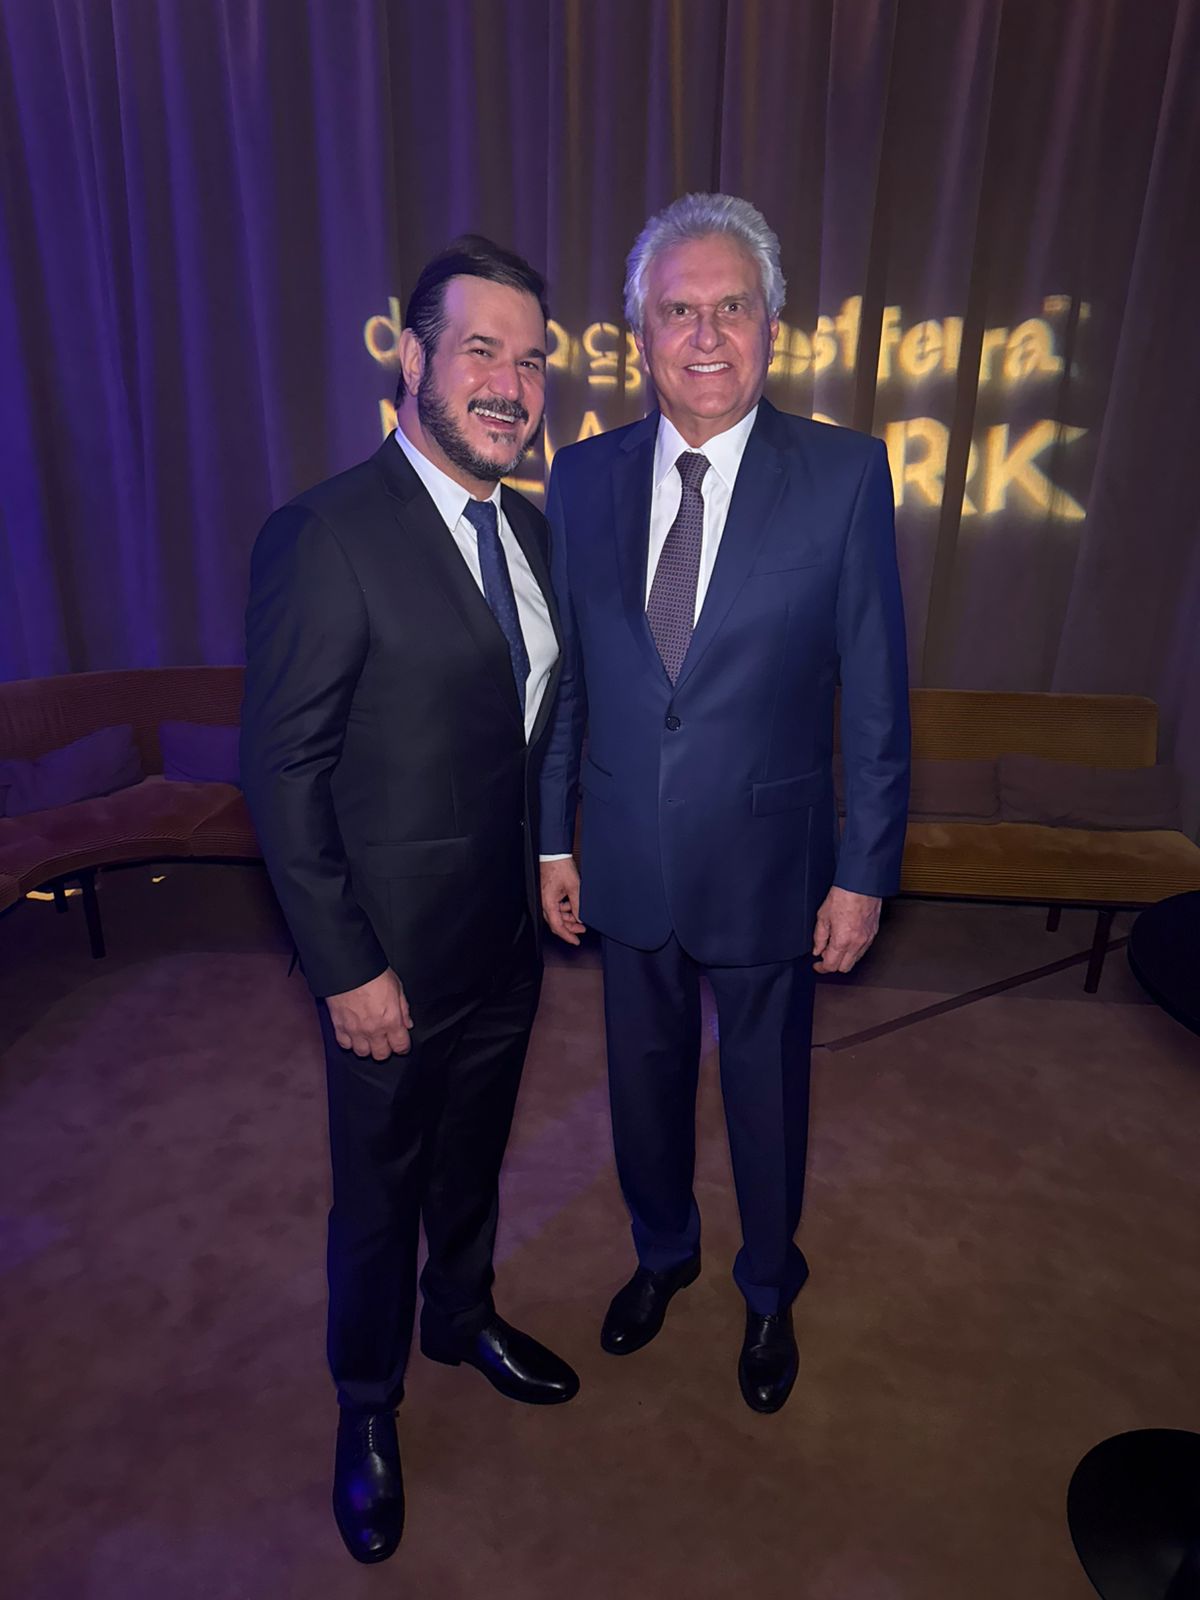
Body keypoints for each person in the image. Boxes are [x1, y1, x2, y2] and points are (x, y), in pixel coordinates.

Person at [539, 193, 910, 1416]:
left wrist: (863, 869)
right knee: (641, 1087)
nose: (706, 336)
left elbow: (875, 694)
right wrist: (549, 840)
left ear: (772, 327)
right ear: (640, 335)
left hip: (771, 862)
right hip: (624, 855)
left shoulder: (845, 475)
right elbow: (569, 683)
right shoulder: (581, 479)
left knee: (766, 1095)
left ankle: (766, 1288)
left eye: (731, 307)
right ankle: (662, 1253)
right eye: (678, 311)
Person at [241, 235, 577, 1566]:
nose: (511, 383)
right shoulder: (326, 534)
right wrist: (344, 968)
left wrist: (548, 861)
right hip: (385, 963)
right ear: (414, 359)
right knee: (376, 1194)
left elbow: (527, 732)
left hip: (503, 947)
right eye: (482, 350)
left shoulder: (531, 532)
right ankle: (366, 1403)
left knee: (473, 1156)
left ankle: (462, 1316)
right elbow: (282, 774)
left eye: (531, 360)